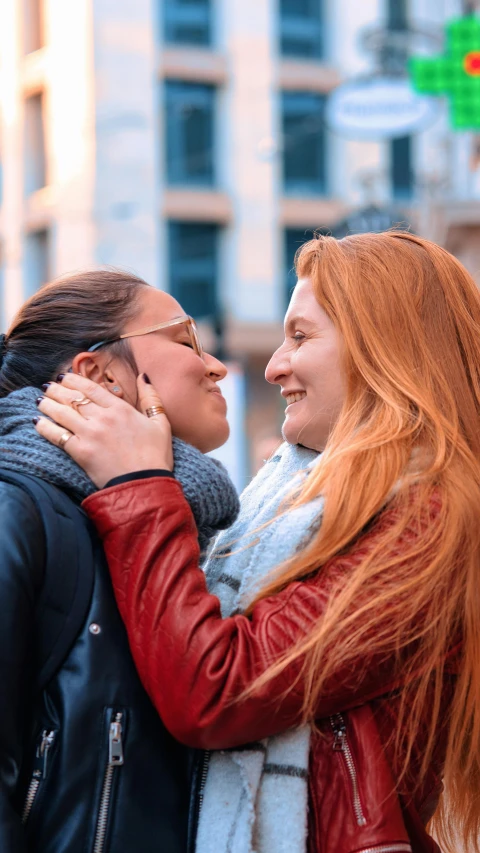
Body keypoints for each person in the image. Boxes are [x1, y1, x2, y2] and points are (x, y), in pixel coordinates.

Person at [35, 232, 480, 853]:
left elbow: (217, 689)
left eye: (300, 336)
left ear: (386, 348)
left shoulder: (435, 521)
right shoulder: (303, 495)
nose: (273, 365)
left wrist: (138, 487)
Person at [0, 269, 239, 853]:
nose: (216, 366)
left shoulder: (190, 528)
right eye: (186, 341)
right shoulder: (18, 509)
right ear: (99, 375)